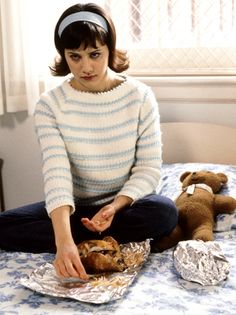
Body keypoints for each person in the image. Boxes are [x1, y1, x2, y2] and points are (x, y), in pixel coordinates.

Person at [0, 2, 177, 280]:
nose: (86, 66)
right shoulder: (50, 104)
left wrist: (115, 206)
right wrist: (63, 240)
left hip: (122, 208)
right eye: (75, 56)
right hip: (74, 208)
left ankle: (81, 237)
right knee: (3, 226)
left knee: (164, 212)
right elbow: (56, 172)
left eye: (95, 53)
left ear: (109, 47)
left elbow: (148, 169)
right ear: (64, 55)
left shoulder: (140, 97)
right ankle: (76, 240)